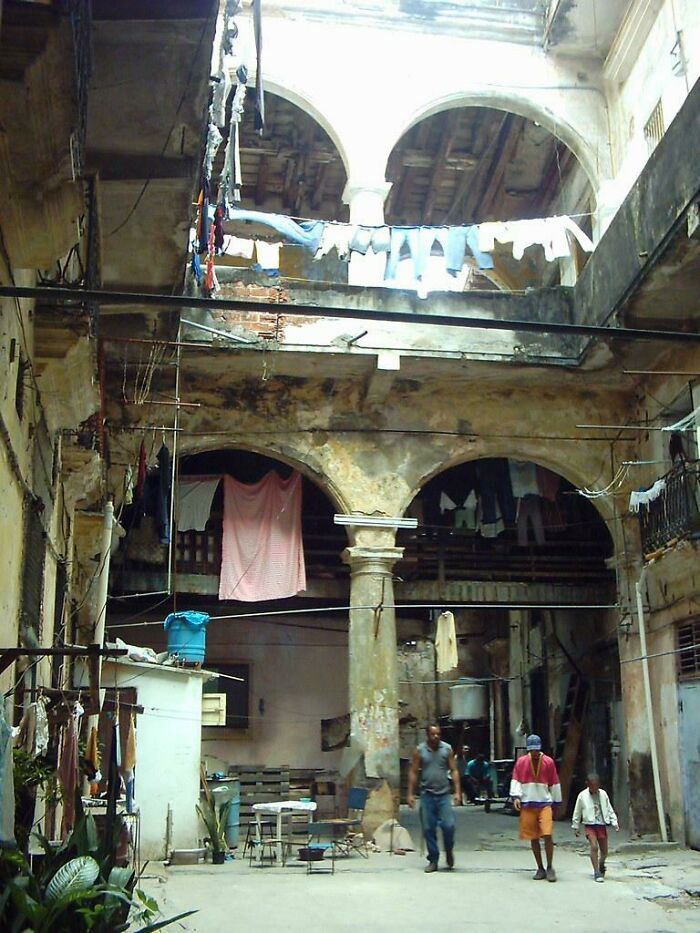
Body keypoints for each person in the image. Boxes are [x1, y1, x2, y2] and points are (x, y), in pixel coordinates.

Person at [408, 724, 461, 873]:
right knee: (428, 828)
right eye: (433, 734)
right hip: (427, 794)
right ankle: (433, 859)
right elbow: (413, 772)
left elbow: (454, 770)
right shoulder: (420, 751)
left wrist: (457, 792)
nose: (436, 737)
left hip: (444, 794)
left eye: (438, 734)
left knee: (448, 825)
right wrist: (410, 794)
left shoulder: (447, 749)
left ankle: (449, 850)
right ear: (428, 735)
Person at [510, 734, 562, 882]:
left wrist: (556, 803)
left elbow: (554, 782)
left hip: (544, 803)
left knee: (547, 834)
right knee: (533, 837)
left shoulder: (548, 762)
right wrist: (516, 797)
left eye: (536, 751)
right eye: (531, 750)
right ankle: (540, 867)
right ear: (528, 749)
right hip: (527, 803)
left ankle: (550, 866)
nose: (534, 753)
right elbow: (516, 780)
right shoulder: (521, 762)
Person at [571, 773, 619, 882]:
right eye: (592, 786)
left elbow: (609, 808)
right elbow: (577, 811)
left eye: (596, 786)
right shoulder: (582, 796)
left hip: (601, 824)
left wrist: (614, 822)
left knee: (605, 851)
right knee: (594, 847)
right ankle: (596, 871)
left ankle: (601, 863)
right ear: (587, 784)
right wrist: (576, 826)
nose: (595, 788)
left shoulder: (603, 794)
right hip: (590, 825)